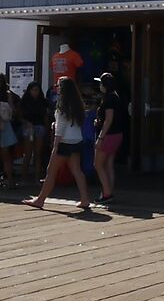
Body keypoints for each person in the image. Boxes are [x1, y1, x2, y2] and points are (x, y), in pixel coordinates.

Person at [29, 75, 96, 211]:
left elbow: (60, 128)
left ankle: (40, 200)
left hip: (64, 142)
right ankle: (85, 199)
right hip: (77, 140)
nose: (56, 88)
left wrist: (55, 146)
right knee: (77, 170)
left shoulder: (62, 106)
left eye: (58, 86)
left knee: (51, 171)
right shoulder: (77, 104)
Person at [92, 72, 127, 202]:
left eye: (101, 83)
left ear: (105, 85)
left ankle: (106, 193)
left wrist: (100, 137)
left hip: (108, 135)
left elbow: (109, 119)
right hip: (117, 134)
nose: (99, 86)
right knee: (108, 164)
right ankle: (108, 190)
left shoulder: (109, 99)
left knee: (98, 164)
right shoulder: (115, 97)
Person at [17, 77, 49, 181]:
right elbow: (19, 116)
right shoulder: (24, 101)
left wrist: (47, 129)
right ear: (29, 90)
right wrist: (26, 122)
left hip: (39, 127)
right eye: (33, 90)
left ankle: (37, 177)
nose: (35, 92)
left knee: (38, 154)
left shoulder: (43, 101)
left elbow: (45, 116)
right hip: (28, 127)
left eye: (37, 90)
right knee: (28, 153)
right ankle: (23, 177)